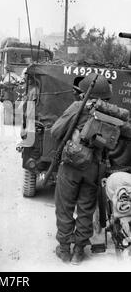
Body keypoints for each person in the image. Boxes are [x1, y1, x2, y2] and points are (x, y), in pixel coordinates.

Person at [51, 73, 113, 265]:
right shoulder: (111, 113)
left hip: (71, 165)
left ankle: (64, 250)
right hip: (94, 167)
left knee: (65, 207)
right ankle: (79, 251)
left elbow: (55, 131)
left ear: (84, 92)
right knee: (86, 208)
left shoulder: (78, 107)